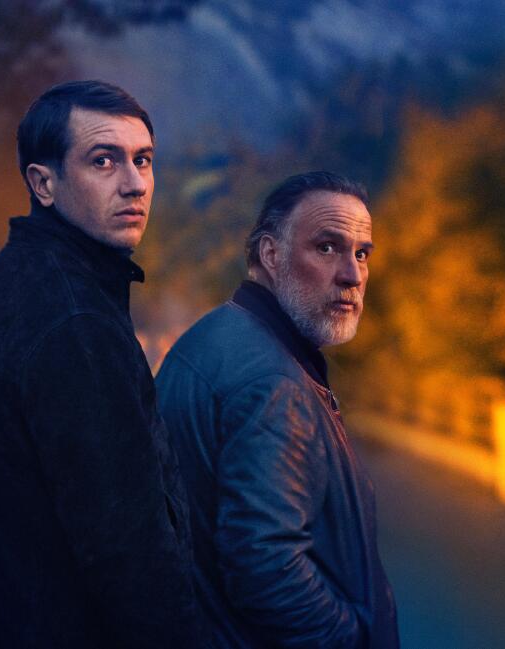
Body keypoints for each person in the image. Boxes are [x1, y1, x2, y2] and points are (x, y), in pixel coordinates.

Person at [0, 80, 200, 648]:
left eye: (144, 160)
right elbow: (130, 553)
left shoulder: (10, 283)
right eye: (103, 161)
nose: (134, 184)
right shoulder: (73, 320)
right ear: (44, 183)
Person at [155, 171, 400, 648]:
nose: (351, 274)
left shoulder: (213, 338)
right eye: (327, 248)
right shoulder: (272, 382)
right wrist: (355, 636)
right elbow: (265, 566)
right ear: (270, 255)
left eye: (362, 253)